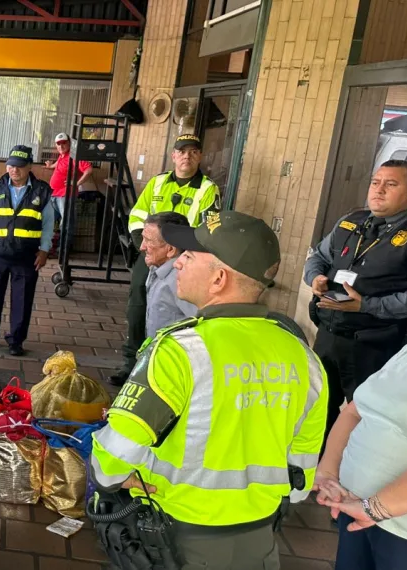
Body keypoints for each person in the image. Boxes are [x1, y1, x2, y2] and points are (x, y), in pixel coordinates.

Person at [89, 211, 327, 570]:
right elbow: (303, 464)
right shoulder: (303, 356)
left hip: (178, 536)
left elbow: (114, 454)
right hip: (260, 537)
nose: (179, 261)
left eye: (190, 255)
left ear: (219, 278)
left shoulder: (179, 350)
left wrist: (110, 477)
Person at [304, 159, 407, 445]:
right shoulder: (353, 221)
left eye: (391, 184)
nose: (379, 190)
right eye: (375, 182)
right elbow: (318, 256)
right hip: (328, 335)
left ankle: (345, 482)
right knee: (317, 411)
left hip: (374, 345)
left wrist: (365, 305)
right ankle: (312, 475)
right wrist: (315, 278)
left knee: (363, 418)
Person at [111, 134, 220, 386]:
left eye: (193, 152)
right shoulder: (158, 183)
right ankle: (131, 362)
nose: (187, 156)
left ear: (200, 156)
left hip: (185, 258)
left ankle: (170, 364)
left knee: (179, 306)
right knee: (138, 302)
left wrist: (183, 250)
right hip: (151, 252)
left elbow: (209, 227)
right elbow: (137, 213)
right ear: (173, 156)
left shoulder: (208, 189)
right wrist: (142, 242)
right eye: (182, 152)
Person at [315, 344, 407, 570]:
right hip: (356, 509)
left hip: (401, 531)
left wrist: (376, 508)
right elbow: (353, 411)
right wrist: (327, 473)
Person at [0, 145, 55, 356]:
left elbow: (48, 224)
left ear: (29, 166)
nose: (14, 170)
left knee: (22, 300)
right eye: (11, 165)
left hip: (26, 257)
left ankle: (16, 341)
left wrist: (45, 250)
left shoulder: (42, 191)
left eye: (19, 166)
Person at [140, 212, 197, 339]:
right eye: (143, 238)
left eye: (148, 241)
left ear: (171, 249)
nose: (141, 247)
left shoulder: (182, 278)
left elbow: (200, 326)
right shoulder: (156, 267)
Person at [44, 133, 93, 249]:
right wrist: (50, 166)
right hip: (54, 195)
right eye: (58, 144)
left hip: (65, 196)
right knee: (48, 221)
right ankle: (48, 247)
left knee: (66, 224)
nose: (61, 146)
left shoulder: (74, 156)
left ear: (69, 143)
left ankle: (63, 250)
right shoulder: (62, 156)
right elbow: (59, 165)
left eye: (64, 143)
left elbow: (89, 170)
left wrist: (76, 183)